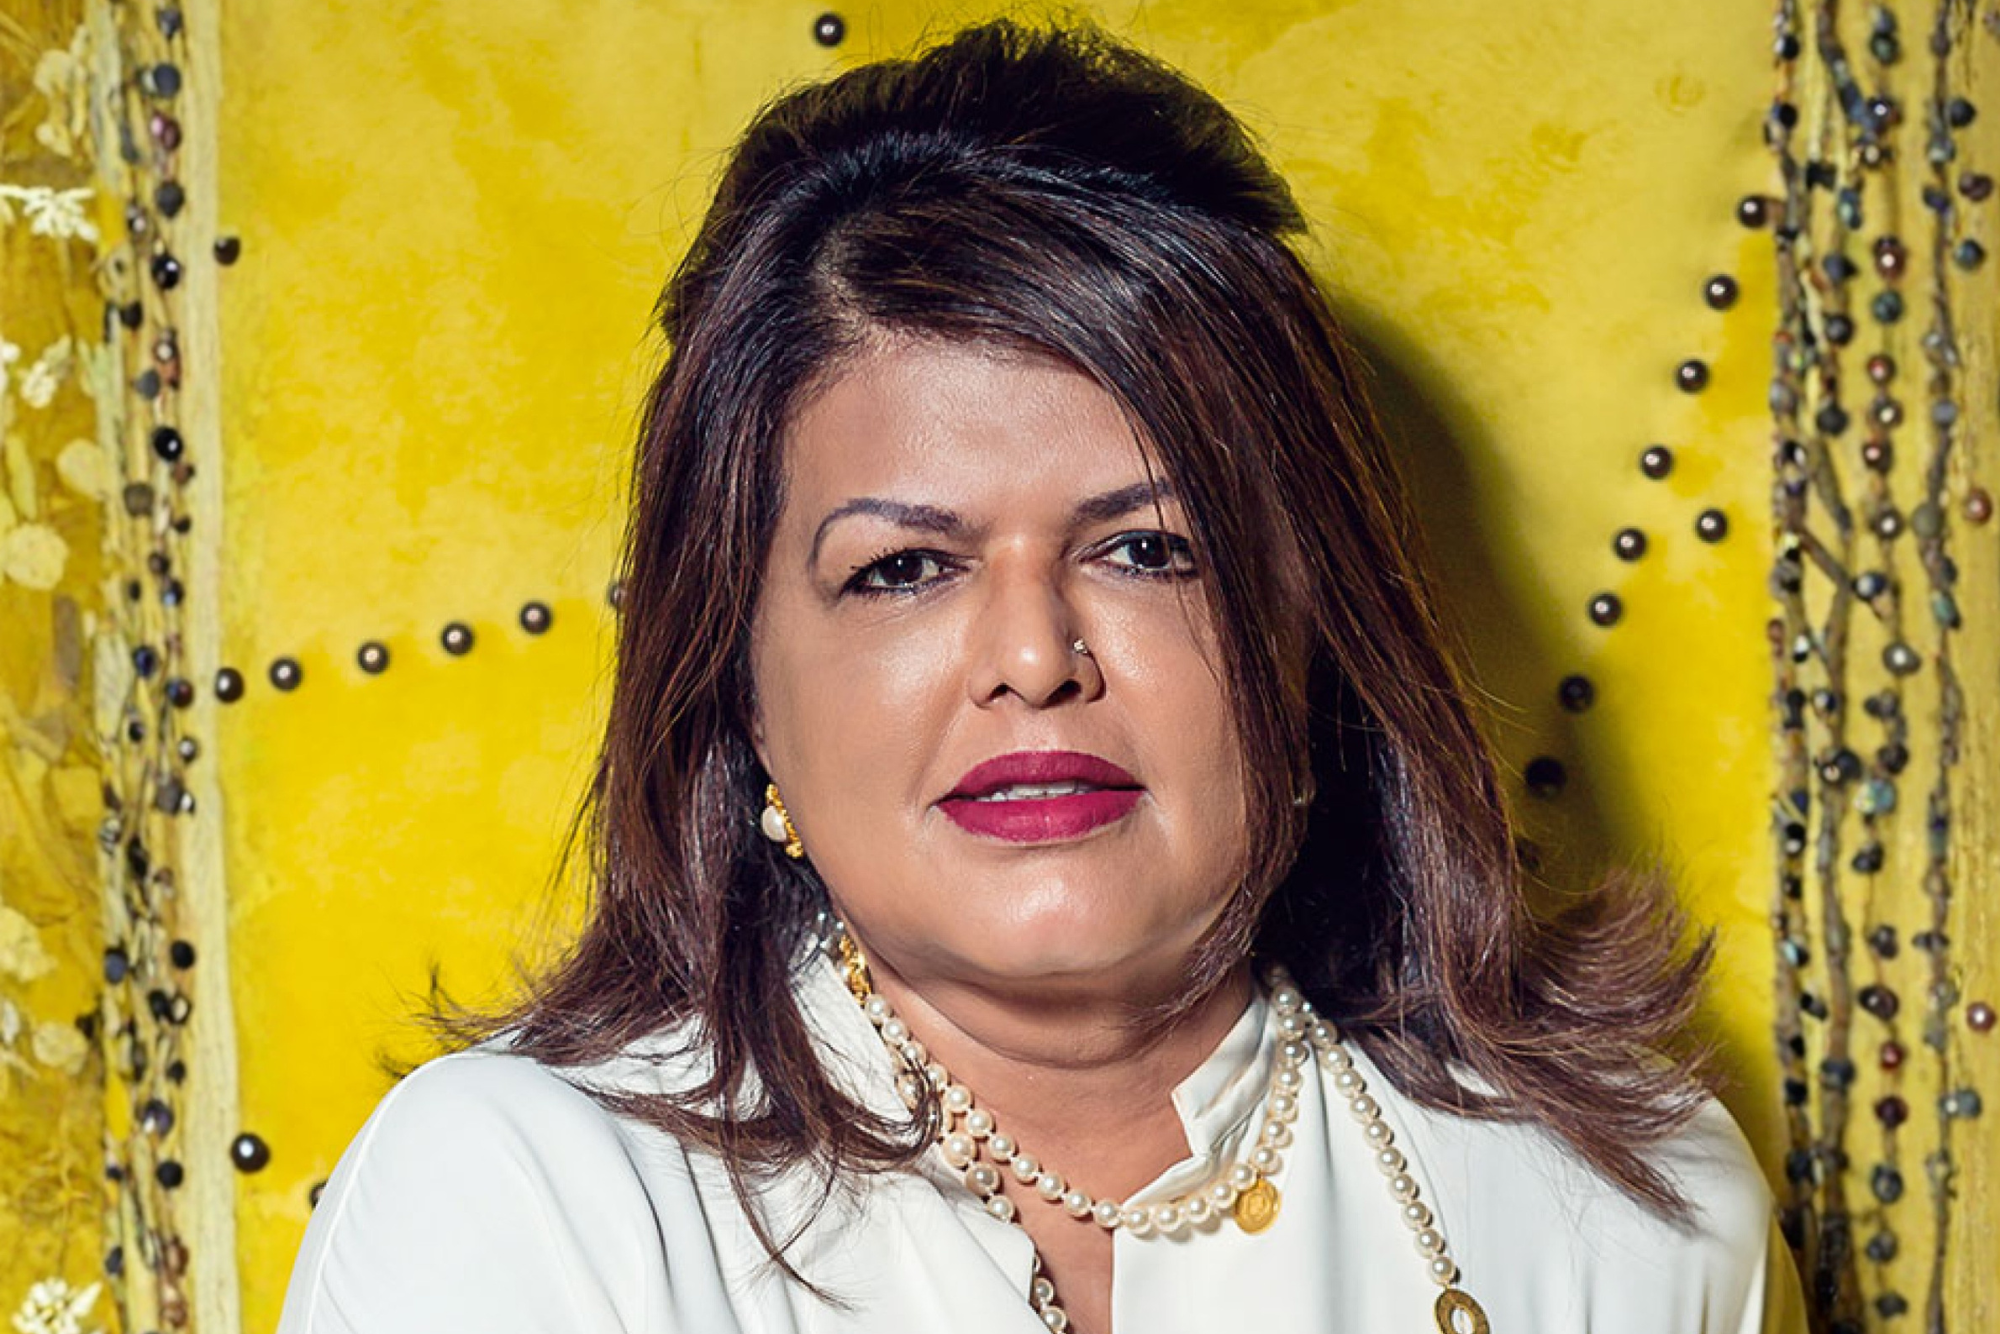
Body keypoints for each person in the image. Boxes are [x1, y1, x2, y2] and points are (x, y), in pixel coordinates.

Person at [276, 18, 1806, 1334]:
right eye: (903, 568)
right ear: (739, 690)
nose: (1031, 659)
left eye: (1150, 550)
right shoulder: (523, 1200)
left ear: (1315, 637)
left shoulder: (1632, 1216)